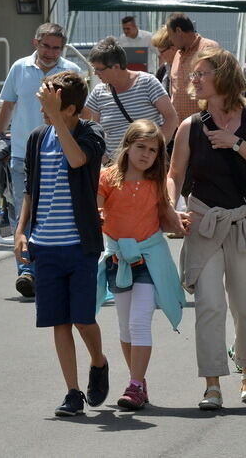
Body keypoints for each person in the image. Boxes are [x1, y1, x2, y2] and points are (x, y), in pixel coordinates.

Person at [167, 47, 246, 411]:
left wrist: (235, 143)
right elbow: (174, 174)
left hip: (241, 221)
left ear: (223, 76)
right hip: (203, 222)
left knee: (244, 305)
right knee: (209, 305)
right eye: (193, 75)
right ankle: (212, 382)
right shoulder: (191, 126)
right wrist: (171, 209)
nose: (194, 80)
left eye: (201, 74)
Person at [11, 71, 108, 417]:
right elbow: (30, 191)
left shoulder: (90, 133)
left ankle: (98, 361)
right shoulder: (38, 137)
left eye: (48, 102)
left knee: (83, 319)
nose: (41, 108)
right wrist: (21, 231)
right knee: (59, 321)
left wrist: (58, 119)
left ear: (70, 108)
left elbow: (77, 160)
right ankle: (72, 392)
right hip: (45, 246)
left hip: (80, 245)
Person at [96, 119, 186, 411]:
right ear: (127, 146)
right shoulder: (107, 177)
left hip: (148, 257)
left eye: (153, 150)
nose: (146, 154)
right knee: (125, 327)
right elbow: (94, 206)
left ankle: (134, 386)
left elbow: (168, 216)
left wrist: (180, 223)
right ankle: (140, 382)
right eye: (141, 147)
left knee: (138, 321)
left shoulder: (158, 182)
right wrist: (95, 215)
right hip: (118, 258)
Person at [0, 23, 80, 298]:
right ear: (36, 42)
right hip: (23, 153)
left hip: (59, 152)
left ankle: (50, 270)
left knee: (52, 214)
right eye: (47, 46)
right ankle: (27, 272)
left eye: (57, 48)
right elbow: (8, 103)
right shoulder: (20, 68)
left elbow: (81, 112)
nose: (51, 52)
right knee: (24, 212)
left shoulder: (72, 72)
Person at [83, 37, 178, 160]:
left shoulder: (147, 82)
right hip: (115, 169)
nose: (95, 73)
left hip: (149, 165)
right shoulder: (98, 92)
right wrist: (104, 158)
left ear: (116, 67)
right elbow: (93, 130)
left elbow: (171, 117)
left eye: (99, 69)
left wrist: (156, 150)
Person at [167, 13, 220, 122]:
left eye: (170, 35)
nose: (170, 40)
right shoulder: (178, 54)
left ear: (178, 31)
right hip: (180, 126)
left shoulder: (208, 48)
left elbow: (219, 84)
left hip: (205, 125)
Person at [151, 27, 176, 95]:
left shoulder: (184, 69)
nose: (160, 55)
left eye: (162, 52)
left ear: (173, 49)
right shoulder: (162, 70)